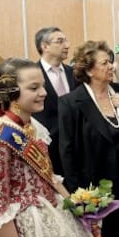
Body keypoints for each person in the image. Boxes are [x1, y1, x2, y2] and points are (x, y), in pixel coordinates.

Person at [0, 58, 91, 237]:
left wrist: (76, 207)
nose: (44, 93)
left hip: (51, 210)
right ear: (10, 91)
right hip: (19, 222)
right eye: (34, 88)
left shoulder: (34, 126)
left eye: (43, 86)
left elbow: (49, 176)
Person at [58, 40, 119, 237]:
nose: (112, 66)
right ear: (90, 71)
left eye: (111, 61)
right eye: (105, 63)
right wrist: (75, 193)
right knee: (97, 233)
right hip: (93, 183)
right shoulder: (71, 103)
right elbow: (67, 151)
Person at [33, 26, 78, 175]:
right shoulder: (31, 75)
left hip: (77, 149)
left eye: (66, 40)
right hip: (48, 150)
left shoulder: (75, 74)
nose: (67, 45)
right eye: (60, 41)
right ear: (44, 46)